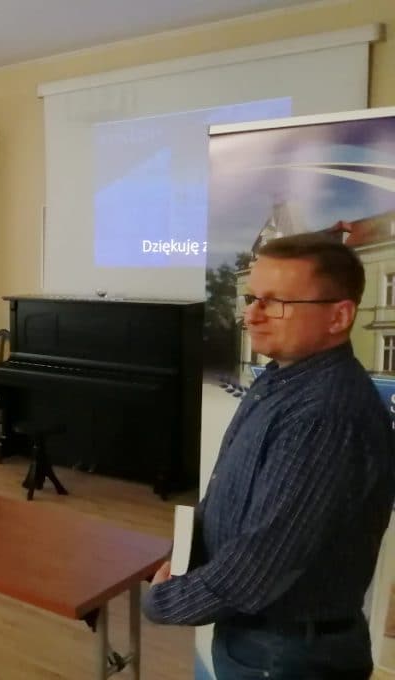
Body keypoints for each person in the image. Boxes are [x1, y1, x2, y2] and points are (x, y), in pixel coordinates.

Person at [143, 233, 395, 679]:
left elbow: (264, 559)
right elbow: (233, 491)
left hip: (284, 655)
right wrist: (186, 553)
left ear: (339, 316)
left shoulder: (326, 414)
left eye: (276, 303)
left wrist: (165, 602)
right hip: (264, 639)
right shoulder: (282, 377)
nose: (252, 315)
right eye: (252, 298)